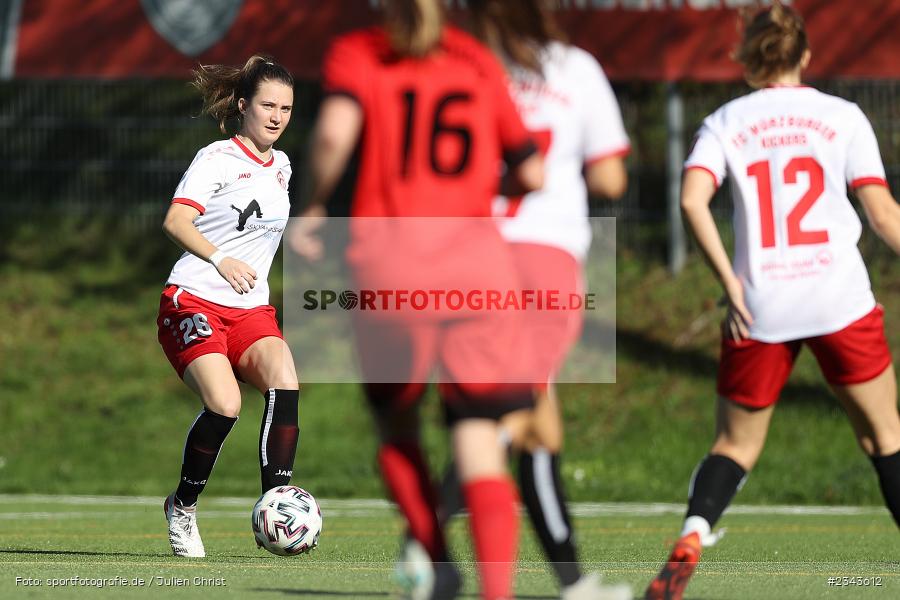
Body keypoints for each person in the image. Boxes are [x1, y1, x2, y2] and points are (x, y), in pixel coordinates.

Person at [646, 4, 900, 599]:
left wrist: (731, 285)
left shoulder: (724, 121)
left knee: (734, 446)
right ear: (804, 56)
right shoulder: (843, 117)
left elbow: (691, 200)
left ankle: (692, 535)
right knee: (885, 435)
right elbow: (883, 215)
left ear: (746, 57)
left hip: (761, 304)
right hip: (838, 299)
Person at [292, 1, 543, 598]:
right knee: (480, 437)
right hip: (478, 272)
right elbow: (531, 173)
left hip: (391, 271)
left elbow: (332, 134)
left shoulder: (360, 53)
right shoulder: (478, 61)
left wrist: (311, 208)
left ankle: (439, 561)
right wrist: (484, 189)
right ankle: (497, 594)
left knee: (396, 421)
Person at [435, 2, 631, 599]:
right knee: (508, 420)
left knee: (537, 421)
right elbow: (609, 180)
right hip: (542, 260)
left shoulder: (465, 68)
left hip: (468, 259)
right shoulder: (575, 69)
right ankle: (425, 543)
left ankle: (572, 584)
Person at [156, 55, 301, 558]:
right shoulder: (216, 159)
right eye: (267, 105)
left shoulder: (282, 165)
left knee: (285, 379)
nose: (277, 116)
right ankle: (183, 506)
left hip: (250, 311)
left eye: (285, 107)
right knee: (226, 405)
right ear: (243, 106)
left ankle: (276, 503)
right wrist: (220, 259)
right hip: (191, 300)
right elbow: (176, 222)